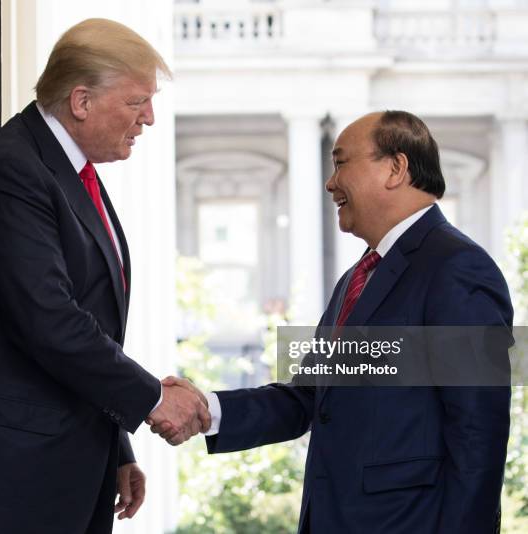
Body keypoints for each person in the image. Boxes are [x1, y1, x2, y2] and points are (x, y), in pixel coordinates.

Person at [154, 111, 513, 533]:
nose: (330, 182)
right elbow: (307, 398)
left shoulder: (459, 267)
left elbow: (478, 434)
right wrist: (207, 410)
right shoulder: (357, 278)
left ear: (396, 168)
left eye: (341, 163)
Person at [0, 18, 209, 534]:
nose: (148, 118)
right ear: (81, 101)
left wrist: (115, 446)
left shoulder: (69, 170)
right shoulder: (11, 171)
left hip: (62, 464)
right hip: (0, 477)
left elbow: (90, 321)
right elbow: (50, 321)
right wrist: (152, 398)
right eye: (136, 102)